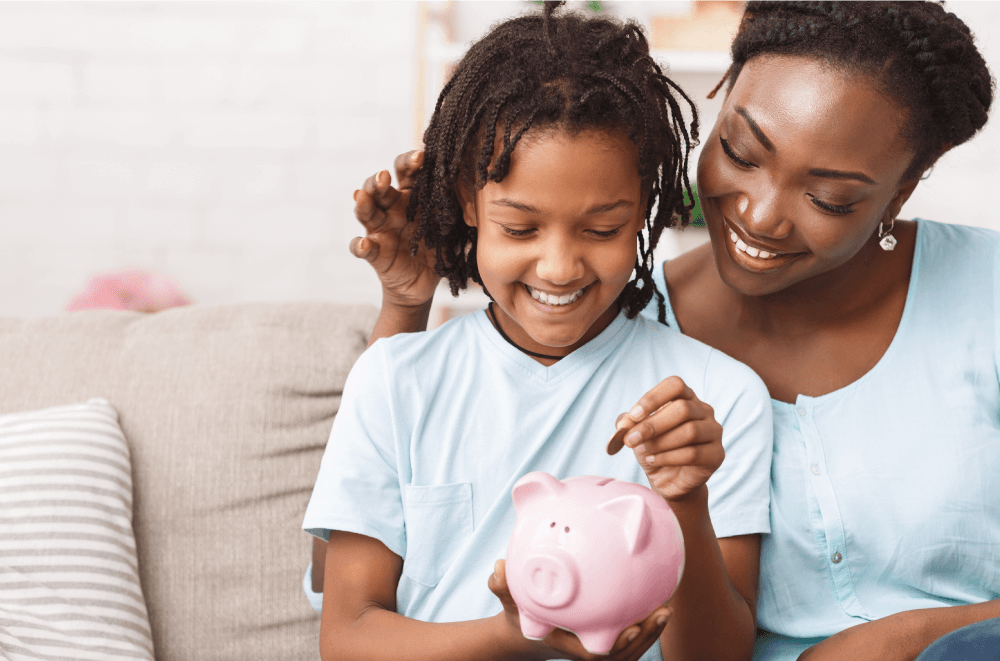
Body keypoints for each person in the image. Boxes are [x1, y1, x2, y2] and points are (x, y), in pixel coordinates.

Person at [342, 0, 1000, 659]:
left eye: (829, 198)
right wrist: (407, 306)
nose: (762, 216)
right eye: (741, 152)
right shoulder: (606, 330)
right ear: (719, 91)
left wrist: (906, 638)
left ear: (903, 188)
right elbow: (373, 553)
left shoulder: (984, 292)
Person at [302, 2, 775, 660]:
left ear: (645, 207)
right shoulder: (395, 379)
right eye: (520, 228)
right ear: (469, 202)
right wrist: (512, 634)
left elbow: (719, 657)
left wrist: (687, 501)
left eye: (603, 228)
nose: (558, 266)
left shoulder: (715, 400)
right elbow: (347, 636)